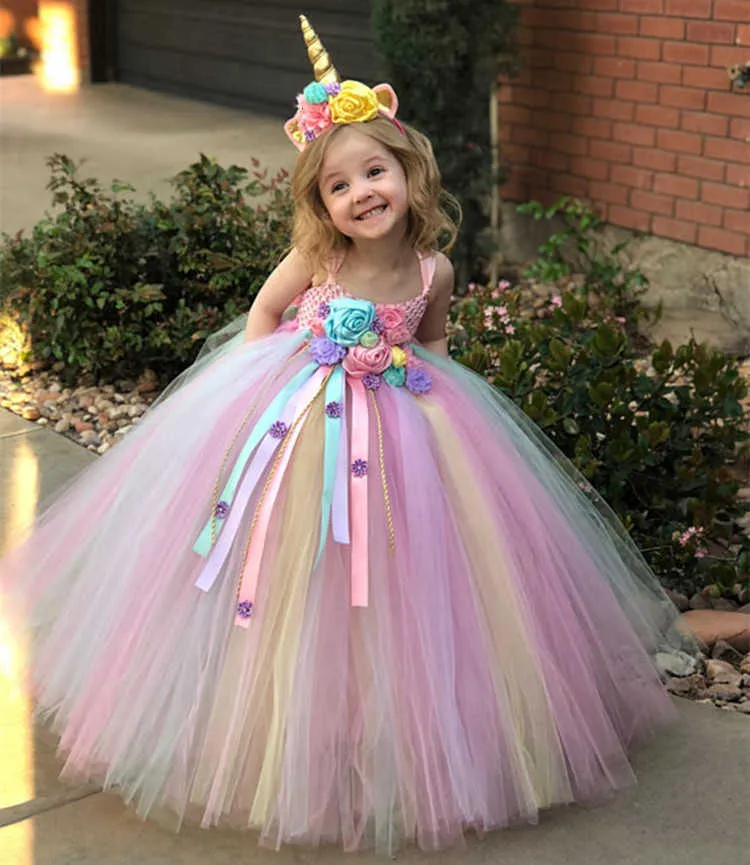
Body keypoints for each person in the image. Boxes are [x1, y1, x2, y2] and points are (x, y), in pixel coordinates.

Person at [1, 14, 693, 855]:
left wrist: (436, 392)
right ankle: (293, 719)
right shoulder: (318, 262)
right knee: (302, 567)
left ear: (410, 173)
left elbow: (433, 339)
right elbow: (262, 315)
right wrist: (244, 402)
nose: (362, 192)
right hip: (301, 419)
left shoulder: (434, 268)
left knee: (405, 576)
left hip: (405, 425)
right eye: (339, 185)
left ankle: (389, 719)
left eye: (376, 171)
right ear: (320, 203)